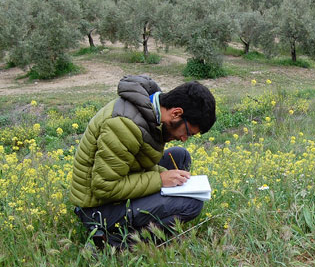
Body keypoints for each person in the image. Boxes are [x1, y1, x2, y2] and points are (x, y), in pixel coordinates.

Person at [68, 75, 216, 249]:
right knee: (191, 204)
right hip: (98, 209)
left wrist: (169, 177)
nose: (184, 138)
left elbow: (135, 161)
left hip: (116, 185)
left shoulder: (151, 109)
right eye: (188, 133)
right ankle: (112, 244)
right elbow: (104, 187)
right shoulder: (124, 125)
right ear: (176, 113)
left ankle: (159, 222)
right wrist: (160, 180)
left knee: (179, 155)